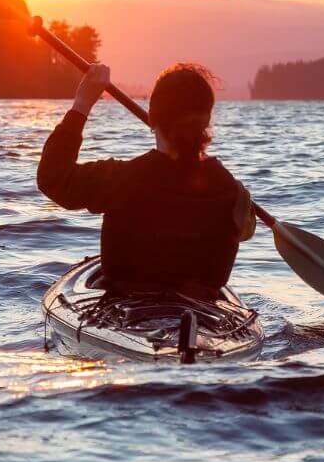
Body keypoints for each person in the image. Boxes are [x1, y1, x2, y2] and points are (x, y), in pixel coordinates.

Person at [37, 62, 257, 298]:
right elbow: (245, 232)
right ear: (206, 121)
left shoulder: (119, 179)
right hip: (204, 313)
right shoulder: (234, 193)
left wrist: (82, 105)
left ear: (152, 118)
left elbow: (53, 177)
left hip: (127, 309)